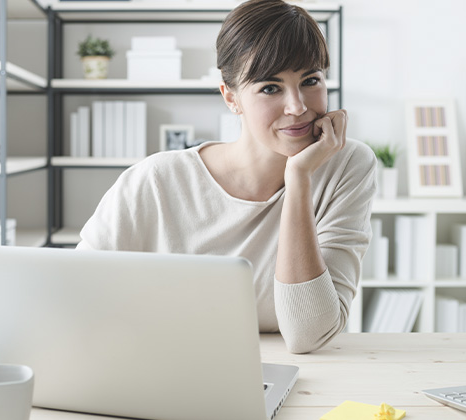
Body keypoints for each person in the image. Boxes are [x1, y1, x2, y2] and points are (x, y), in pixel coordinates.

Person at [76, 0, 376, 354]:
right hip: (165, 363)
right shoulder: (155, 180)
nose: (297, 107)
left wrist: (298, 178)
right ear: (231, 97)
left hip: (296, 377)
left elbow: (308, 335)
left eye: (310, 81)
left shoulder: (347, 165)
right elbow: (75, 299)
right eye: (270, 87)